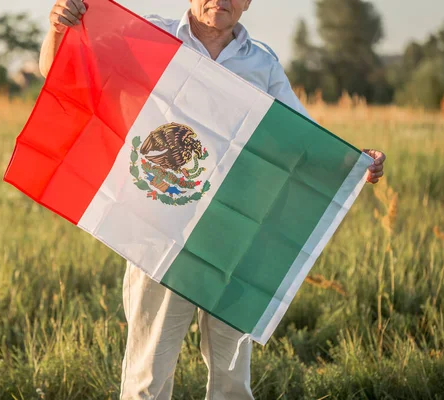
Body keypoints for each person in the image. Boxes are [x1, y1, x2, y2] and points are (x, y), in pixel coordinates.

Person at [39, 1, 387, 399]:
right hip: (160, 236)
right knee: (147, 378)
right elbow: (60, 70)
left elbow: (304, 139)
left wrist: (358, 161)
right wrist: (58, 29)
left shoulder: (262, 63)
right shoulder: (149, 37)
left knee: (233, 382)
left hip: (234, 242)